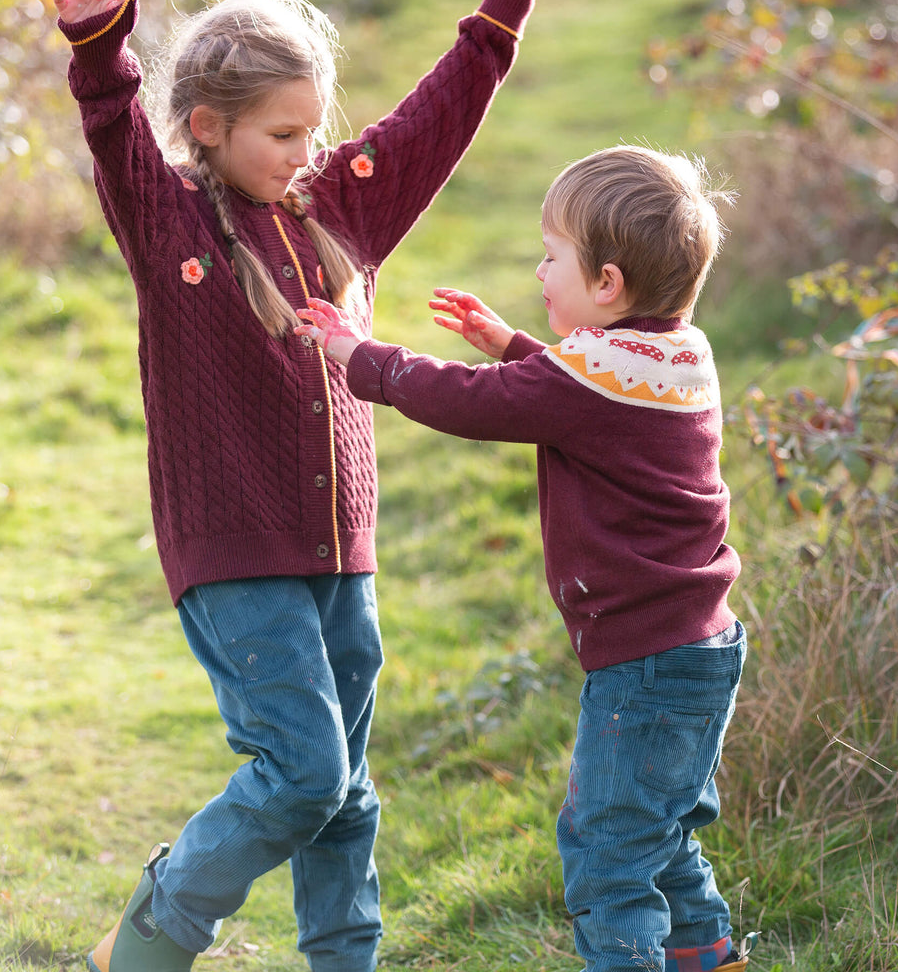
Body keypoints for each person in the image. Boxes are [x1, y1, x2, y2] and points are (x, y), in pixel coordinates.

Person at [52, 0, 531, 972]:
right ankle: (153, 933)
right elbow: (119, 146)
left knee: (348, 791)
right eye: (282, 134)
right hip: (235, 557)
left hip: (342, 551)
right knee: (307, 771)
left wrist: (493, 24)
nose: (305, 153)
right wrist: (102, 55)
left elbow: (421, 131)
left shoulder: (336, 212)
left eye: (314, 130)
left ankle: (342, 961)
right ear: (211, 128)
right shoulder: (170, 221)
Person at [297, 145, 759, 972]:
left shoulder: (595, 376)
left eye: (553, 257)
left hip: (647, 662)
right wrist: (509, 341)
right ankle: (710, 960)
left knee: (607, 853)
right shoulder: (678, 354)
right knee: (662, 832)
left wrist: (357, 354)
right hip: (702, 644)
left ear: (607, 285)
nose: (539, 269)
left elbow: (471, 404)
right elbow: (580, 396)